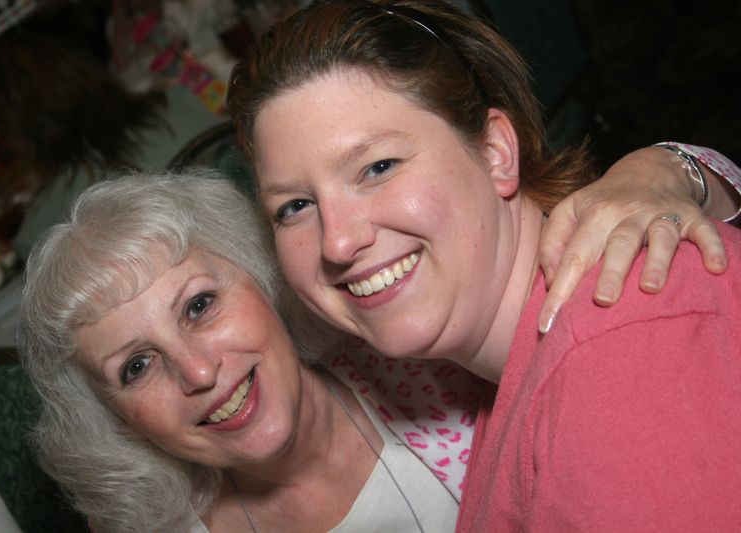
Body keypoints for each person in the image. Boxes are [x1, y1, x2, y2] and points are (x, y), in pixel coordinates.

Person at [225, 0, 741, 529]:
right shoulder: (512, 381)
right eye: (294, 207)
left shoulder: (618, 351)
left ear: (495, 152)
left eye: (378, 167)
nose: (337, 241)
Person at [18, 169, 464, 533]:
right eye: (137, 367)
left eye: (199, 306)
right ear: (117, 422)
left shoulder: (434, 360)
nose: (198, 372)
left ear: (265, 277)